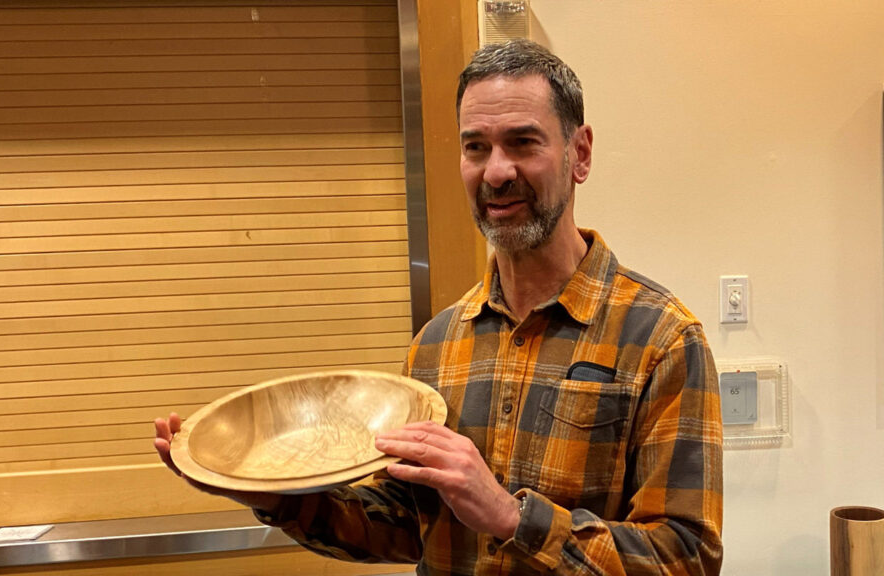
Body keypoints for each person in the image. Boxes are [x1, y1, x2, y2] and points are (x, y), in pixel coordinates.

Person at [155, 38, 723, 575]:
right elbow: (404, 526)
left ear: (580, 153)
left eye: (523, 142)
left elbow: (688, 557)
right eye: (476, 146)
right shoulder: (438, 344)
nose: (496, 172)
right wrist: (270, 495)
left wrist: (511, 518)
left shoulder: (662, 339)